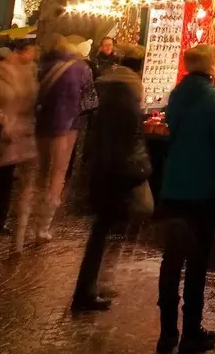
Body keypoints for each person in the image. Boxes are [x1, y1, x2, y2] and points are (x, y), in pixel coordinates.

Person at [158, 44, 215, 354]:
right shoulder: (213, 101)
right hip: (204, 190)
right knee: (196, 262)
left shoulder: (177, 95)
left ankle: (167, 332)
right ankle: (191, 329)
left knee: (171, 259)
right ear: (211, 65)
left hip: (175, 187)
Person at [73, 46, 150, 313]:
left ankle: (93, 284)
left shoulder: (107, 89)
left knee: (104, 229)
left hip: (102, 169)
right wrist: (140, 170)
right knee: (110, 228)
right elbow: (130, 140)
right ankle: (92, 287)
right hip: (117, 172)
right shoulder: (126, 98)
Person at [0, 36, 42, 251]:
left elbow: (29, 102)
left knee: (7, 181)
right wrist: (2, 119)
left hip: (16, 137)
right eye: (30, 51)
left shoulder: (29, 74)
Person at [33, 35, 94, 242]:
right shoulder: (82, 68)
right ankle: (43, 226)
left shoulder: (44, 64)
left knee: (41, 170)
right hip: (68, 125)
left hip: (42, 121)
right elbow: (90, 100)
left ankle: (27, 220)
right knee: (58, 172)